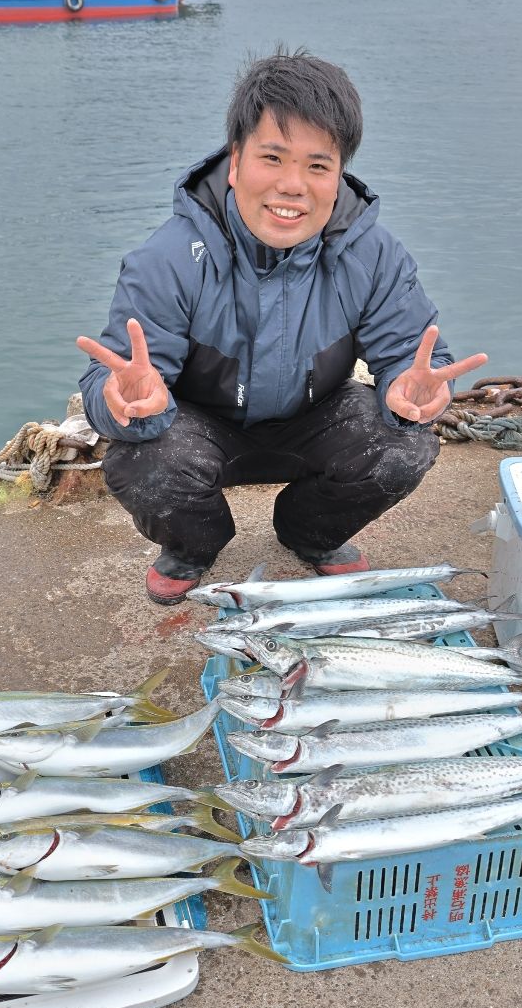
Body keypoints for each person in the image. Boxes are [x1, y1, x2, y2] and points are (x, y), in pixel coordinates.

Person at [77, 49, 487, 605]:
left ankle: (310, 532)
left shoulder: (374, 255)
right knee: (145, 460)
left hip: (314, 421)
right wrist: (123, 401)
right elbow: (113, 384)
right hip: (200, 428)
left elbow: (416, 358)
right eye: (273, 157)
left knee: (403, 445)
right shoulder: (167, 260)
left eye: (318, 166)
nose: (293, 185)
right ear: (237, 158)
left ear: (339, 174)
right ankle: (194, 546)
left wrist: (416, 390)